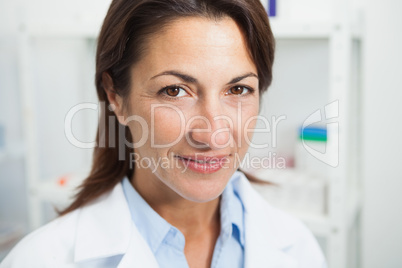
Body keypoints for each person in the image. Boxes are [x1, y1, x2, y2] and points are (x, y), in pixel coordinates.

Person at [1, 0, 327, 267]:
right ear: (116, 96)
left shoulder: (298, 250)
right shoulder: (39, 260)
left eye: (238, 89)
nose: (213, 134)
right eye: (174, 91)